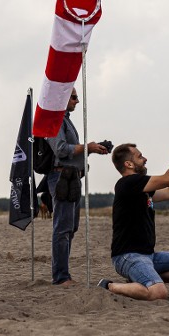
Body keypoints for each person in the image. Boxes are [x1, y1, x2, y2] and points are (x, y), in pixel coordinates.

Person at [98, 139, 169, 300]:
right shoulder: (128, 183)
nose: (145, 159)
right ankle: (109, 286)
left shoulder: (141, 189)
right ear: (129, 164)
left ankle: (143, 279)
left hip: (148, 255)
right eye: (140, 157)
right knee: (158, 293)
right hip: (128, 256)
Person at [45, 88, 110, 287]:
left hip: (71, 177)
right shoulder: (54, 120)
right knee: (62, 228)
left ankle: (63, 275)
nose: (77, 101)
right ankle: (61, 277)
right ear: (63, 97)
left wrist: (93, 148)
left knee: (70, 228)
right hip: (62, 177)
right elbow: (61, 150)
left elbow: (71, 151)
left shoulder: (65, 120)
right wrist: (87, 147)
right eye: (73, 97)